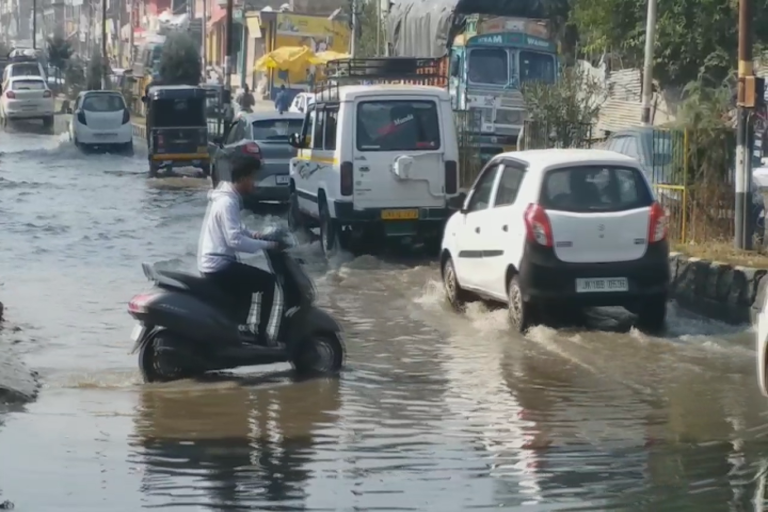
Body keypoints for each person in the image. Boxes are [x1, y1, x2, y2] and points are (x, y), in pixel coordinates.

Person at [198, 157, 279, 345]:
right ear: (243, 178)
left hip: (219, 261)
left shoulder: (228, 198)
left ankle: (241, 328)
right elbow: (234, 240)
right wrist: (268, 246)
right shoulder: (227, 202)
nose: (255, 182)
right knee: (268, 282)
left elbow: (238, 229)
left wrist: (257, 235)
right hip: (218, 265)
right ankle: (259, 336)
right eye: (253, 177)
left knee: (249, 280)